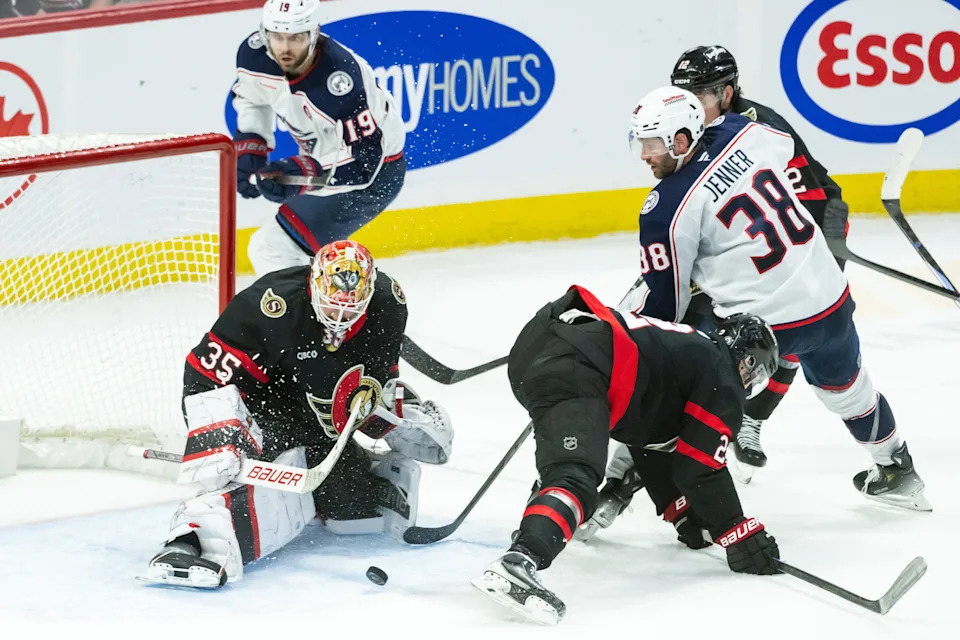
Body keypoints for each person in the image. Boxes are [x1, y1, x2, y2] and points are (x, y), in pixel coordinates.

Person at [618, 86, 930, 511]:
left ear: (680, 139)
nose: (643, 155)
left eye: (652, 144)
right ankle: (897, 468)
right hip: (828, 297)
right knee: (849, 391)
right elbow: (786, 155)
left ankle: (618, 485)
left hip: (762, 327)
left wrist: (633, 324)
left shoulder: (665, 208)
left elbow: (666, 311)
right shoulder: (744, 129)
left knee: (675, 392)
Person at [141, 240, 453, 589]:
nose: (339, 319)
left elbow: (379, 372)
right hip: (262, 407)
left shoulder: (388, 303)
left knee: (357, 512)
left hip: (317, 416)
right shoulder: (270, 305)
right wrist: (220, 438)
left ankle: (358, 467)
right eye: (331, 306)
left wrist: (384, 412)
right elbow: (205, 375)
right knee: (259, 476)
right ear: (313, 280)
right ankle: (191, 540)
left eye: (351, 311)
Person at [472, 285, 781, 625]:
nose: (752, 383)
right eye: (759, 372)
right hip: (578, 364)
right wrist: (737, 530)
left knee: (572, 469)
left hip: (542, 348)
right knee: (576, 475)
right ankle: (519, 560)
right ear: (748, 359)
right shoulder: (723, 376)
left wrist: (679, 509)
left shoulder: (693, 354)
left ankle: (542, 523)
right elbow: (700, 466)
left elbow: (648, 444)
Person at [670, 45, 850, 472]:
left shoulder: (758, 128)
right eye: (683, 94)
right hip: (769, 233)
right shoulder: (690, 129)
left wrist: (808, 257)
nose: (690, 104)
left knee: (791, 319)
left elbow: (809, 196)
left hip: (817, 219)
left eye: (701, 94)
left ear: (727, 93)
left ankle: (753, 416)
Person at [233, 0, 406, 275]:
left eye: (295, 38)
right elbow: (252, 99)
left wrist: (302, 174)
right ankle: (333, 310)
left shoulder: (341, 78)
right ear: (264, 33)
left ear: (314, 34)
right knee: (303, 256)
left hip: (375, 176)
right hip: (329, 165)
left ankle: (309, 316)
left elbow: (366, 164)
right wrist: (252, 147)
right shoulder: (253, 55)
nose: (285, 48)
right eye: (277, 37)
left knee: (273, 248)